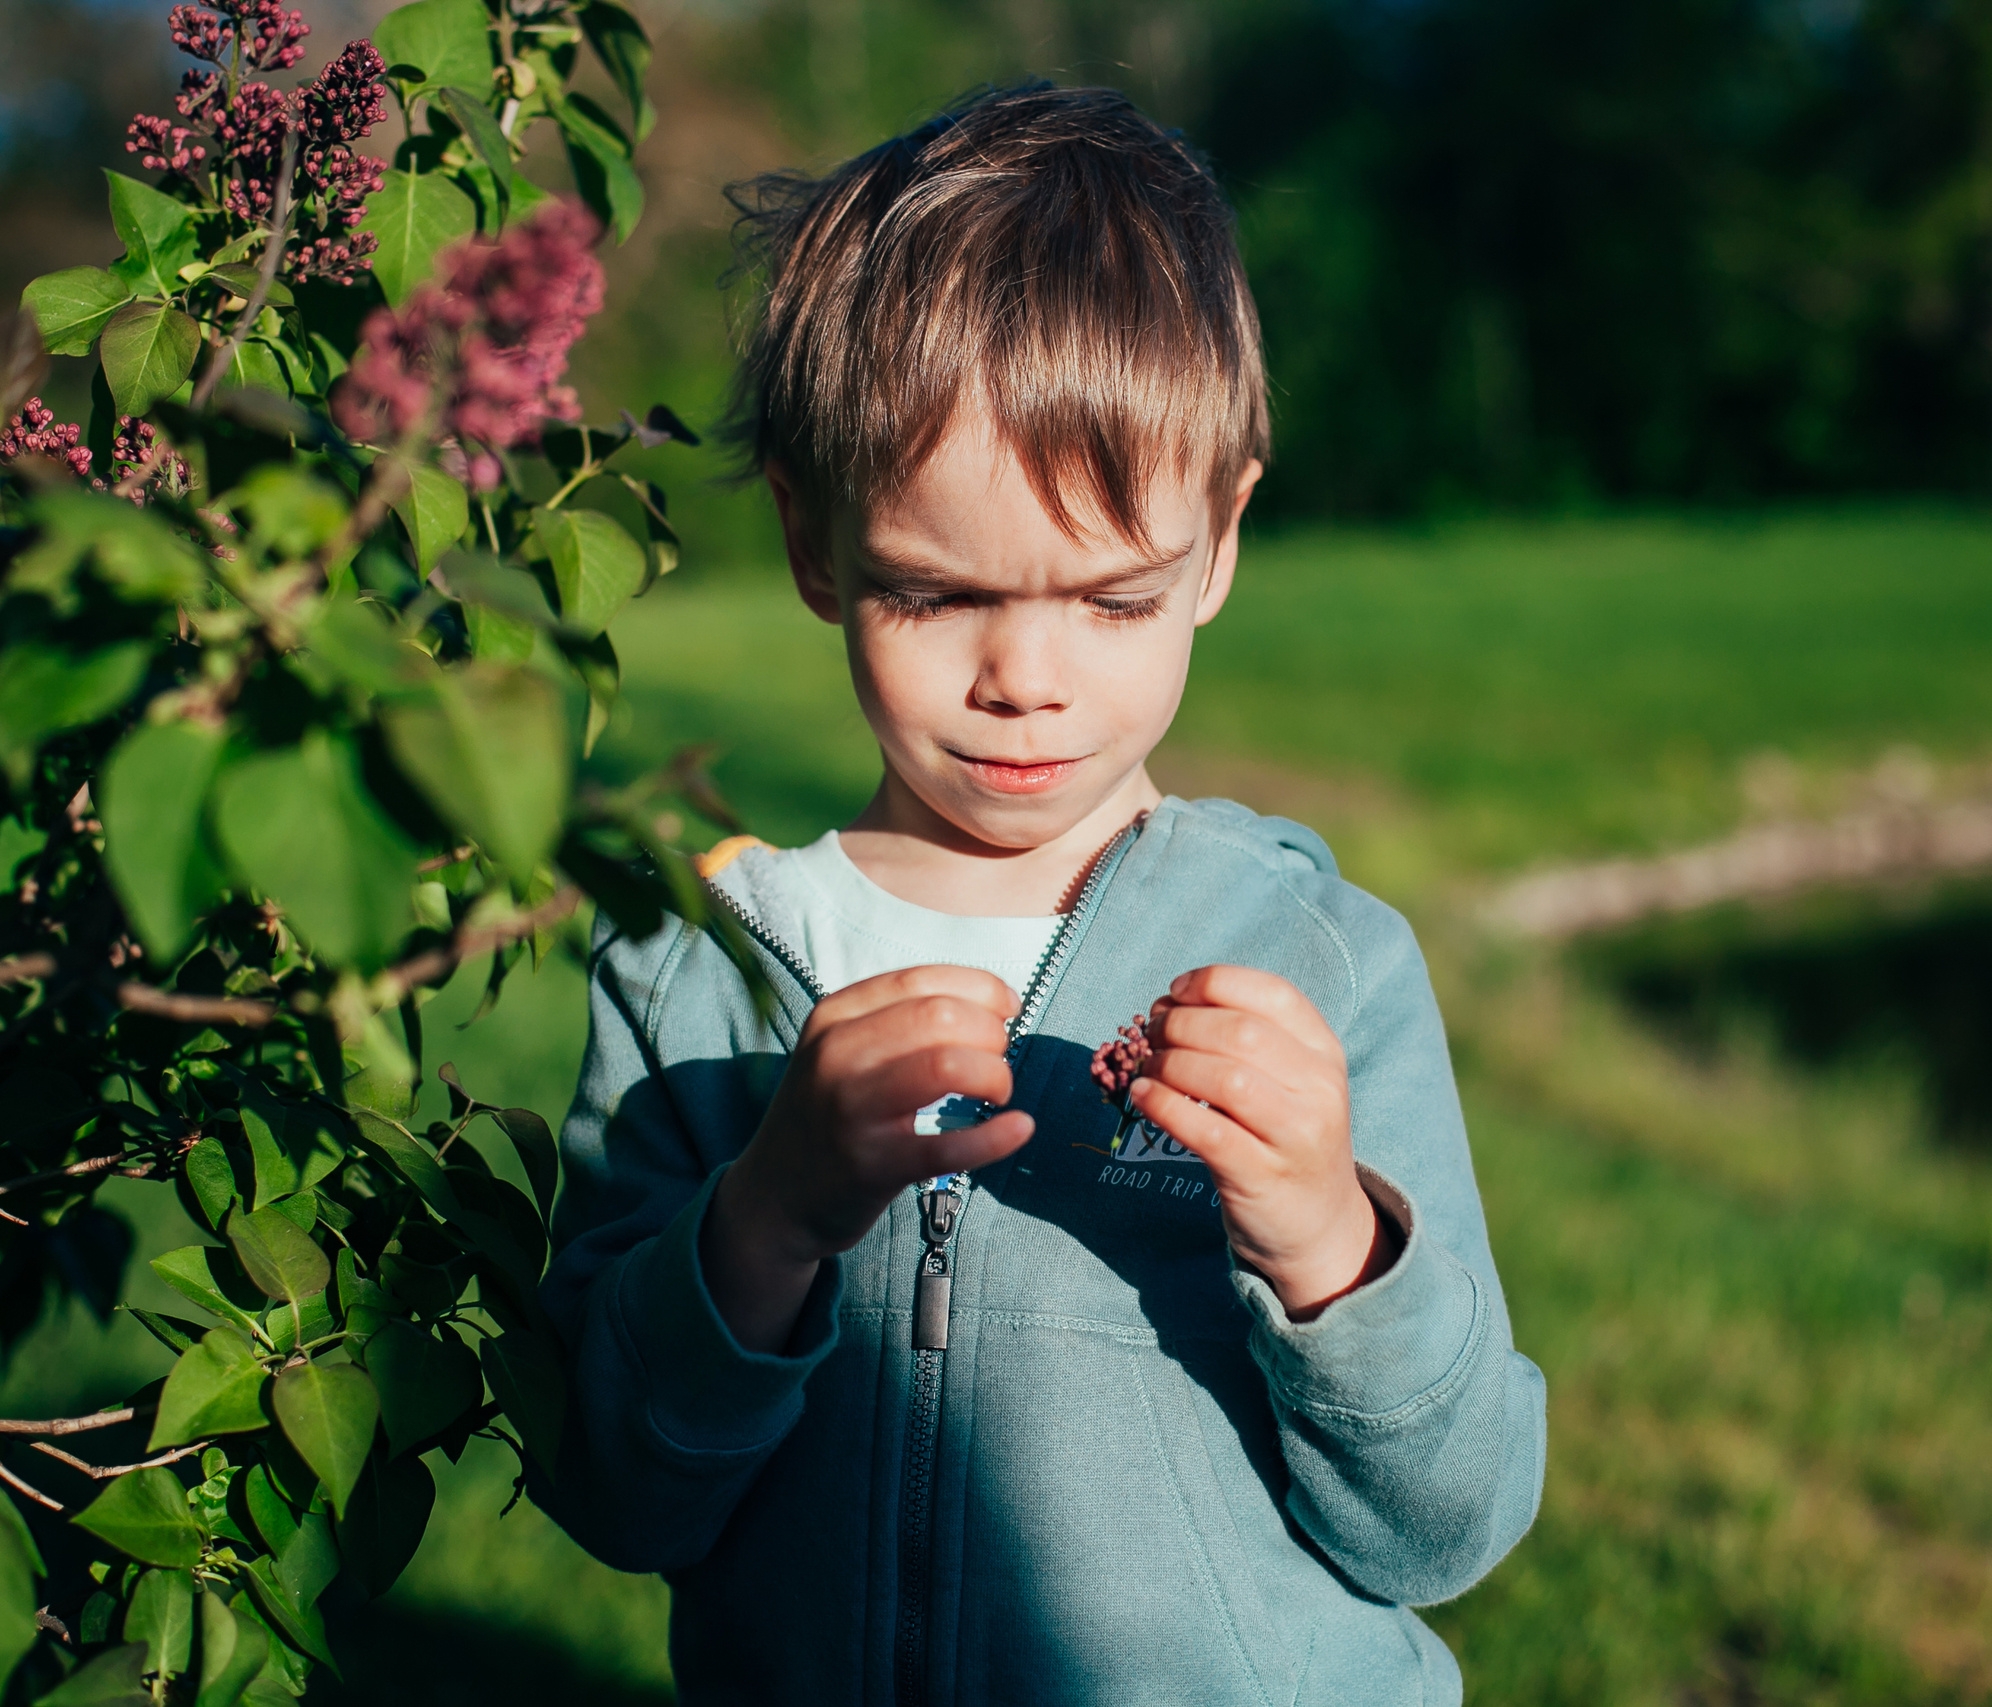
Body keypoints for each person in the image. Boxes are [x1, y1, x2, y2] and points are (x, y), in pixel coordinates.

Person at [534, 83, 1547, 1706]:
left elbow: (1449, 1526)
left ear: (1217, 544)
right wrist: (769, 1213)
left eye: (1115, 600)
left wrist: (1332, 1244)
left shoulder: (1318, 962)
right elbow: (615, 1490)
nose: (1027, 680)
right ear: (816, 547)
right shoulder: (697, 977)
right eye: (937, 595)